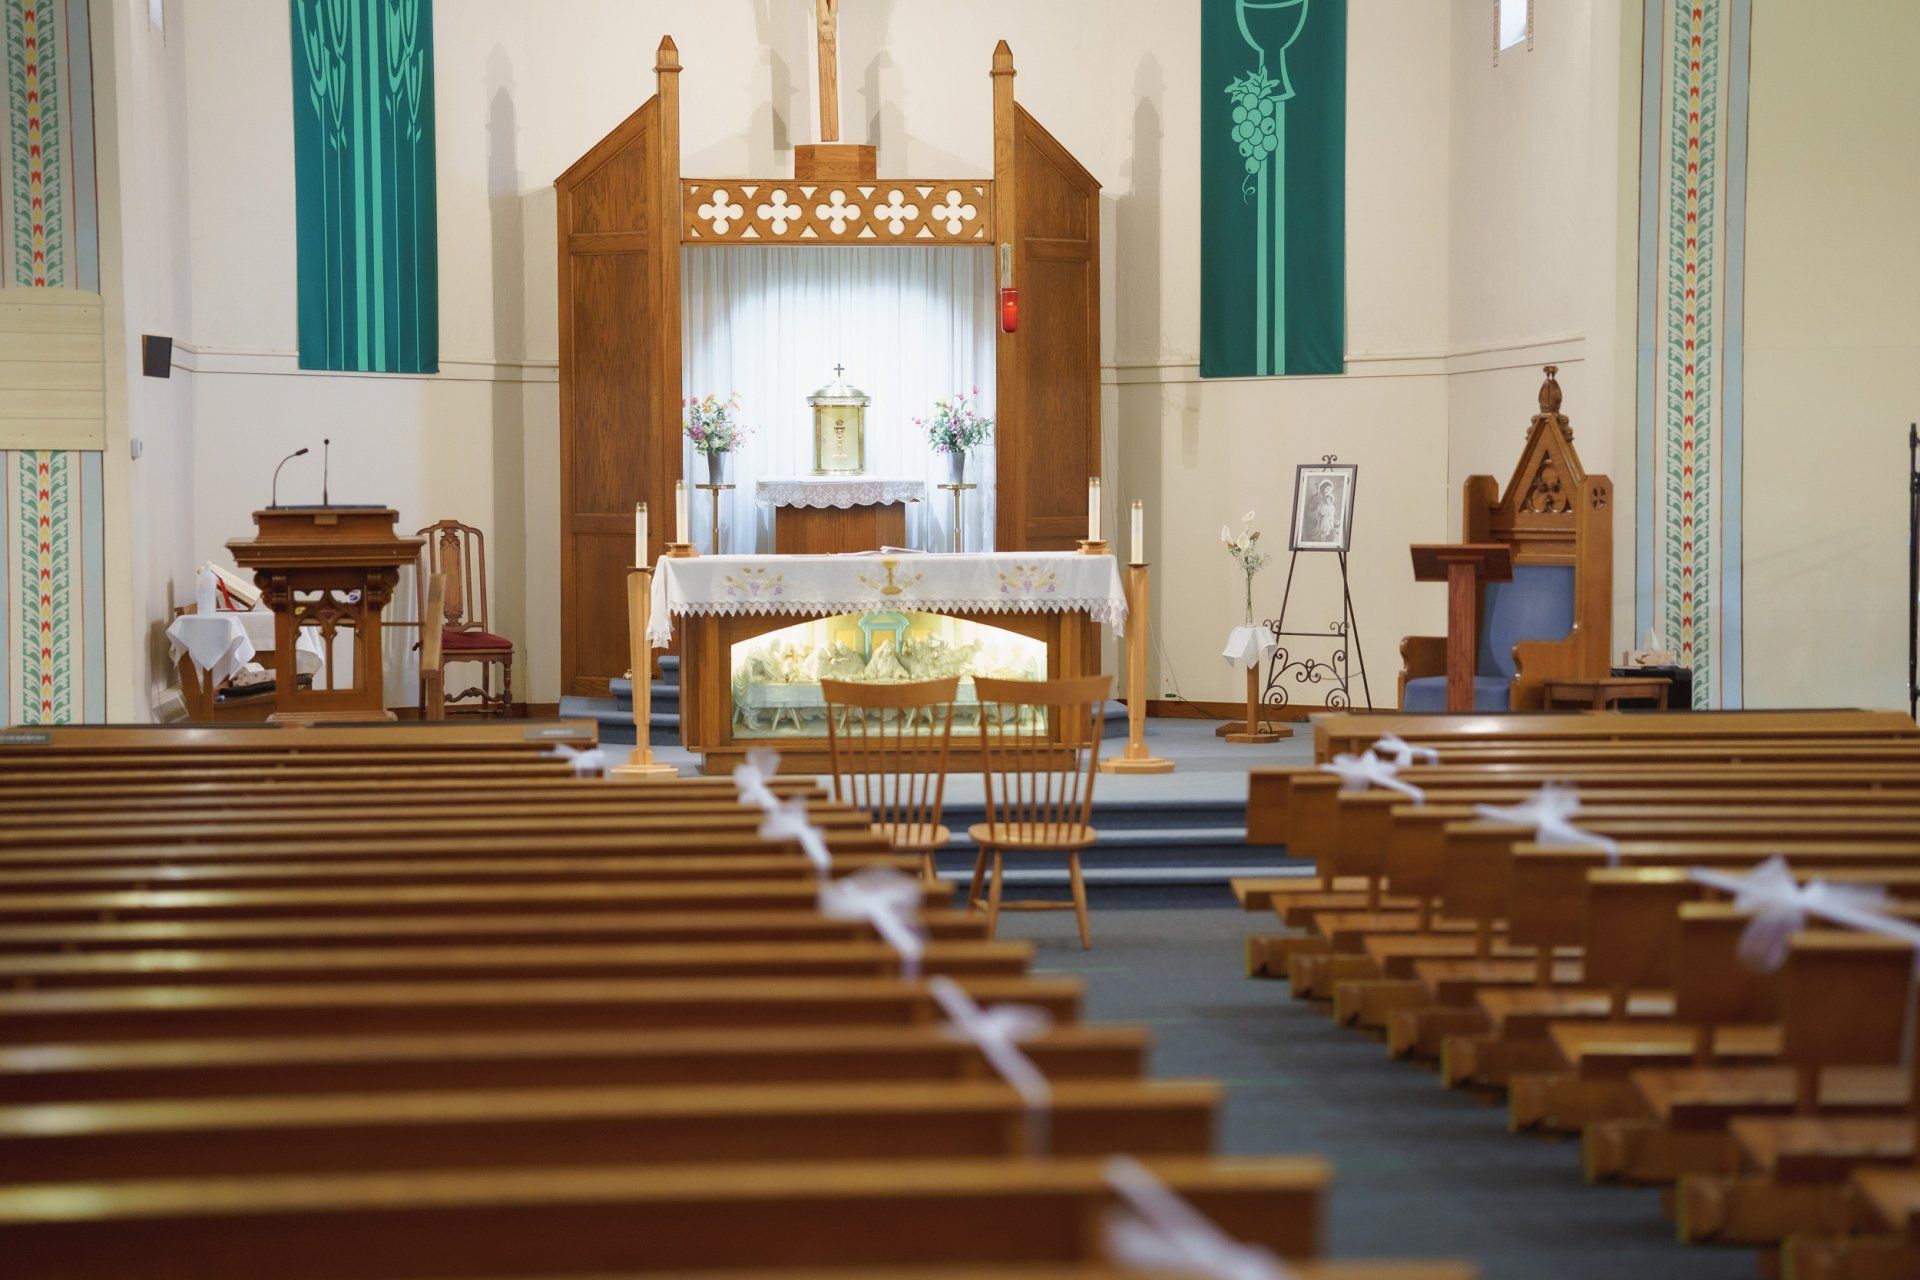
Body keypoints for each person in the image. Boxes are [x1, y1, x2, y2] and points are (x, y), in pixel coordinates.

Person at [1302, 479, 1341, 544]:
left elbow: (1329, 513)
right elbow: (1309, 513)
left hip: (1323, 522)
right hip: (1314, 524)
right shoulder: (1315, 497)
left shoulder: (1327, 499)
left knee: (1330, 532)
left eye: (1329, 489)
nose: (1327, 491)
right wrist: (1318, 511)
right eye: (1326, 488)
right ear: (1322, 488)